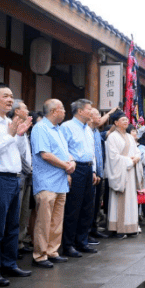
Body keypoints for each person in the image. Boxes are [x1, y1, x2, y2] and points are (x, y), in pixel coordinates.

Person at [0, 83, 32, 285]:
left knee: (12, 226)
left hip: (14, 178)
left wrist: (18, 135)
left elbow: (17, 152)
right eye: (5, 96)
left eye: (12, 96)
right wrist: (12, 135)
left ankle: (9, 264)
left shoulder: (11, 122)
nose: (10, 99)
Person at [29, 99, 73, 268]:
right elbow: (45, 154)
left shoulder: (59, 130)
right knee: (44, 220)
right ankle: (40, 255)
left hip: (60, 180)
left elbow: (65, 153)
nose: (64, 112)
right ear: (55, 111)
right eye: (62, 109)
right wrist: (66, 166)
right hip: (46, 181)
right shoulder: (41, 128)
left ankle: (52, 251)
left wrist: (71, 162)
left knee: (56, 220)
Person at [60, 99, 99, 257]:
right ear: (80, 111)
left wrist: (94, 170)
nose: (92, 112)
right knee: (73, 208)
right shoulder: (66, 127)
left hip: (88, 168)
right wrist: (68, 171)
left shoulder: (88, 129)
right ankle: (68, 244)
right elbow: (63, 149)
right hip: (75, 168)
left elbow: (92, 151)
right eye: (89, 109)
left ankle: (82, 241)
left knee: (87, 207)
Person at [105, 110, 145, 237]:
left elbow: (137, 152)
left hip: (130, 172)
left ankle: (130, 226)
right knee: (120, 199)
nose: (127, 121)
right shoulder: (112, 137)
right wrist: (130, 161)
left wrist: (137, 158)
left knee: (131, 200)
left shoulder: (129, 137)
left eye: (127, 119)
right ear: (116, 123)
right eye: (123, 120)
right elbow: (113, 157)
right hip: (121, 172)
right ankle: (119, 227)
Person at [8, 99, 34, 256]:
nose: (28, 111)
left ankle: (20, 242)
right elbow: (18, 154)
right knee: (15, 214)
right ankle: (13, 245)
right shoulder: (12, 126)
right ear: (17, 111)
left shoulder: (24, 128)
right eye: (25, 108)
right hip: (19, 174)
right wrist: (28, 169)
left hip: (26, 174)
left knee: (24, 211)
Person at [88, 108, 109, 239]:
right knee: (89, 205)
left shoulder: (96, 131)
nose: (100, 117)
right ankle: (87, 232)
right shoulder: (87, 131)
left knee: (96, 204)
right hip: (90, 173)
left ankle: (94, 228)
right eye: (97, 115)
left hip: (99, 173)